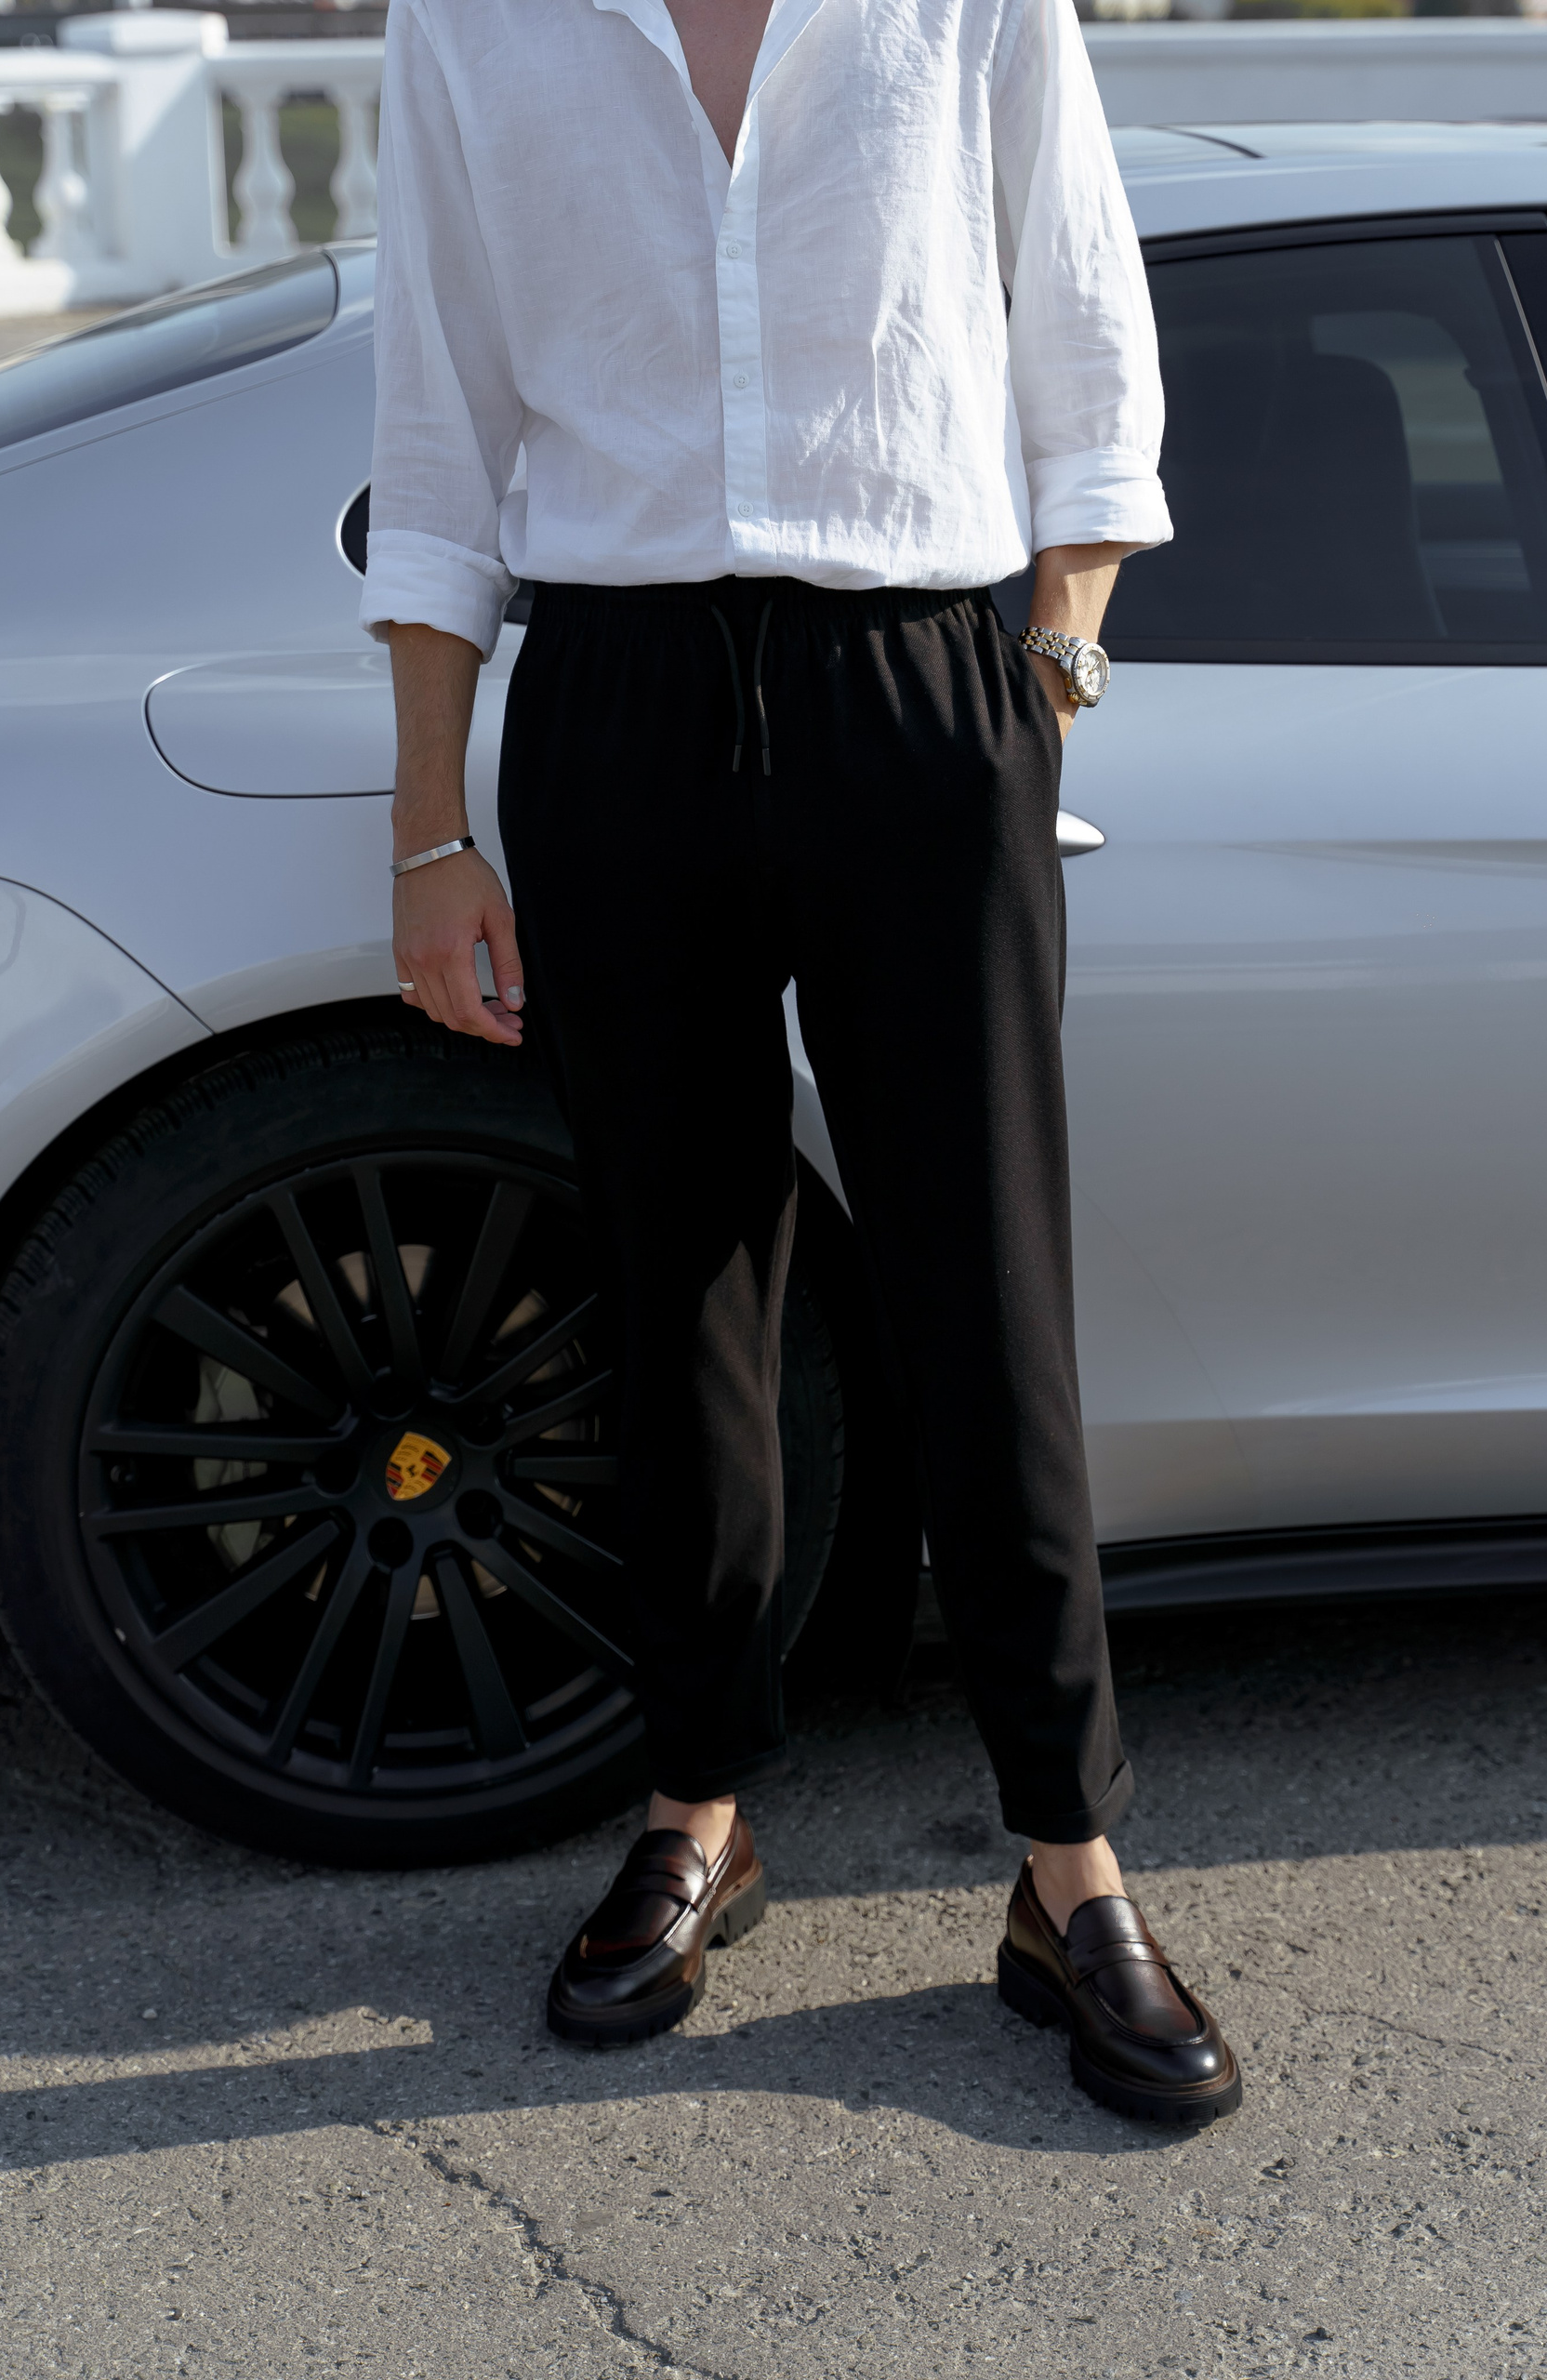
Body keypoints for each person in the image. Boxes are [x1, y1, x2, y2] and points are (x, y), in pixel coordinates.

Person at [363, 0, 1239, 2126]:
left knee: (986, 1295)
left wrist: (1044, 676)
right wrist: (427, 827)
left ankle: (1070, 1860)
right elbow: (439, 421)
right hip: (618, 704)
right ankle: (698, 1804)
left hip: (918, 686)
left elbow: (1084, 333)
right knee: (674, 1291)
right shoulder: (471, 21)